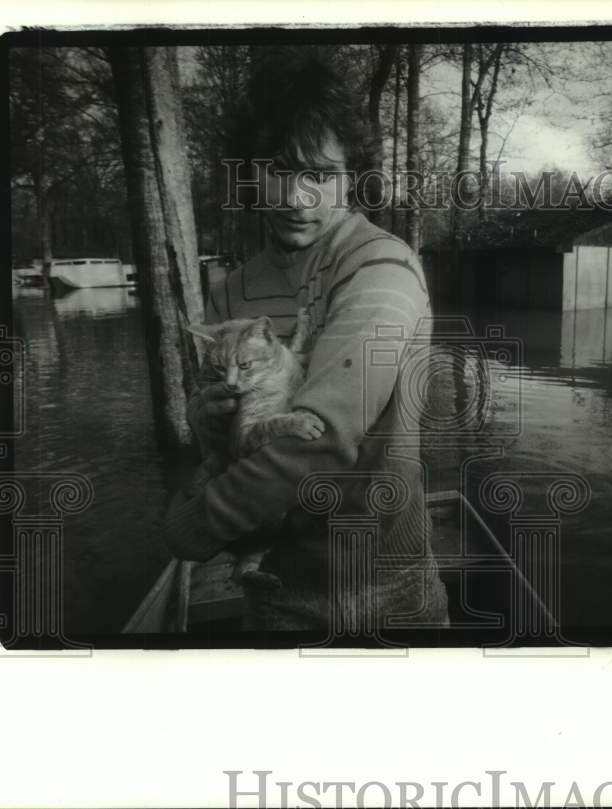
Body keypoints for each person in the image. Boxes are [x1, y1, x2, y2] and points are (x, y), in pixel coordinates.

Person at [163, 52, 449, 634]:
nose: (297, 198)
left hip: (387, 583)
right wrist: (206, 417)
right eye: (280, 170)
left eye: (319, 175)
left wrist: (193, 526)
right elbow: (221, 434)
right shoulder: (231, 292)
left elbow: (327, 438)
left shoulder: (382, 268)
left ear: (352, 176)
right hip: (277, 584)